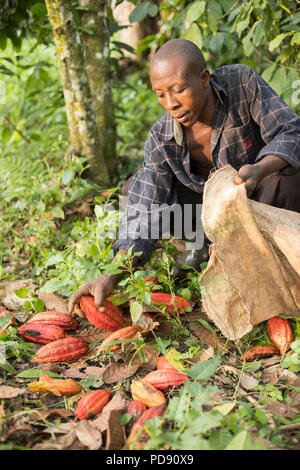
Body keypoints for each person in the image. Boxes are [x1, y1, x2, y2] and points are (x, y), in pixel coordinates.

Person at [69, 38, 300, 315]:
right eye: (160, 94)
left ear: (204, 79)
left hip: (262, 199)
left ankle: (277, 255)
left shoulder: (241, 83)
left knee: (288, 174)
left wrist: (261, 168)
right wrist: (112, 275)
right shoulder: (161, 138)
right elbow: (146, 208)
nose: (171, 104)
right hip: (207, 216)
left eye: (179, 90)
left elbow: (290, 131)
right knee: (136, 189)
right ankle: (204, 244)